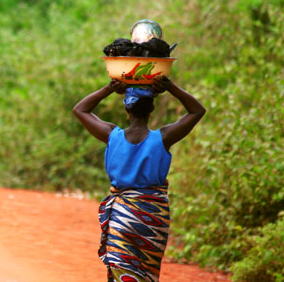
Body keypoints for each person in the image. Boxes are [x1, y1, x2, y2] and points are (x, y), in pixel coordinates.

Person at [72, 76, 205, 282]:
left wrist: (109, 88)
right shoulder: (163, 138)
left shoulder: (111, 135)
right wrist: (171, 87)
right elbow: (197, 111)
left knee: (122, 274)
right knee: (147, 274)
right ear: (151, 110)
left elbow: (80, 109)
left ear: (127, 111)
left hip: (122, 214)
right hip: (152, 216)